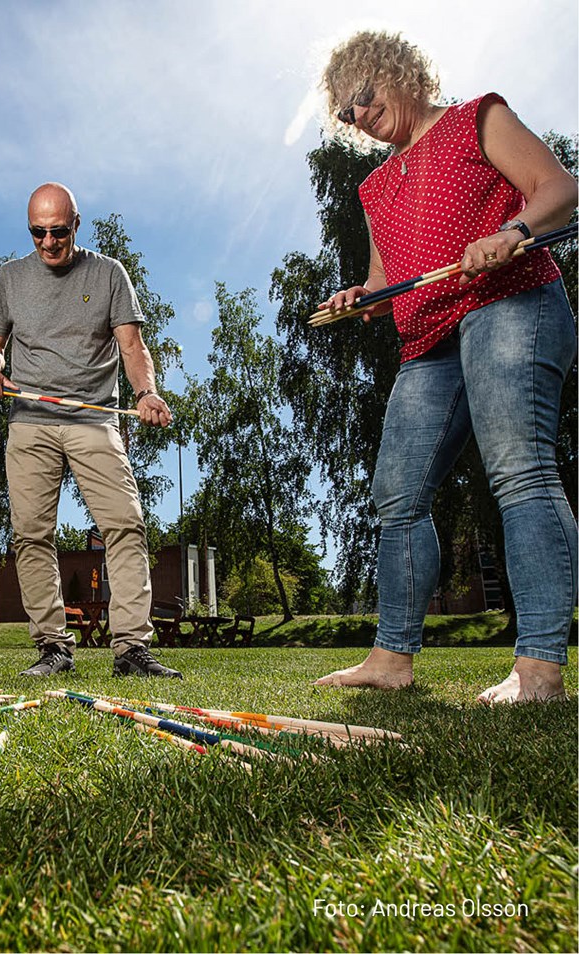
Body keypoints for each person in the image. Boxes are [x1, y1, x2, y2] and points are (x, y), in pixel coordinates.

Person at [312, 31, 578, 704]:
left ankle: (540, 667)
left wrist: (513, 233)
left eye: (363, 98)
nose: (359, 118)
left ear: (397, 74)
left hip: (509, 303)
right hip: (427, 339)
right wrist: (362, 300)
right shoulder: (374, 188)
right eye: (346, 113)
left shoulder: (475, 118)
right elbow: (386, 282)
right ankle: (391, 658)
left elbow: (558, 188)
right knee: (395, 496)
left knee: (519, 470)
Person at [0, 182, 181, 679]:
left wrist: (146, 393)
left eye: (58, 231)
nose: (48, 242)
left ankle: (131, 650)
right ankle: (53, 648)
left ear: (76, 224)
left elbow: (132, 347)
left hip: (94, 418)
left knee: (126, 525)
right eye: (38, 232)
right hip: (31, 420)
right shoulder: (9, 278)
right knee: (30, 535)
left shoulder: (109, 273)